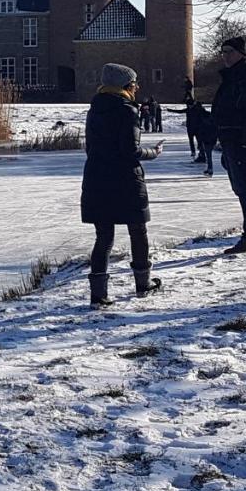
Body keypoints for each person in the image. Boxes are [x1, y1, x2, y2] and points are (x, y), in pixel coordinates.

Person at [81, 64, 164, 309]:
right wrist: (154, 152)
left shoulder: (94, 110)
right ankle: (143, 284)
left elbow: (92, 148)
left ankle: (98, 295)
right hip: (125, 179)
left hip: (97, 177)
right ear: (126, 86)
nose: (137, 88)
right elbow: (131, 150)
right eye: (135, 84)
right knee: (138, 231)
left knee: (103, 236)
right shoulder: (127, 111)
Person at [212, 37, 246, 254]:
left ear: (241, 53)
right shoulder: (233, 76)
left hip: (239, 140)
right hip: (229, 139)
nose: (225, 55)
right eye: (223, 51)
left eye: (229, 51)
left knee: (244, 188)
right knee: (241, 188)